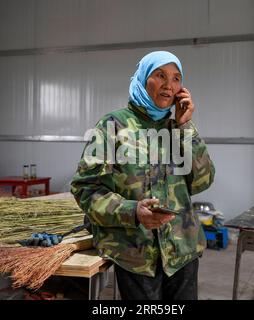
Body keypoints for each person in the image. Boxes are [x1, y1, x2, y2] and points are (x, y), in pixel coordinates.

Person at [70, 51, 215, 300]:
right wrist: (133, 211)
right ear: (142, 78)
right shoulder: (112, 126)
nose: (169, 85)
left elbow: (203, 180)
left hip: (183, 250)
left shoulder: (177, 129)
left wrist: (185, 127)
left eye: (176, 78)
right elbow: (86, 188)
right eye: (160, 75)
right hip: (135, 253)